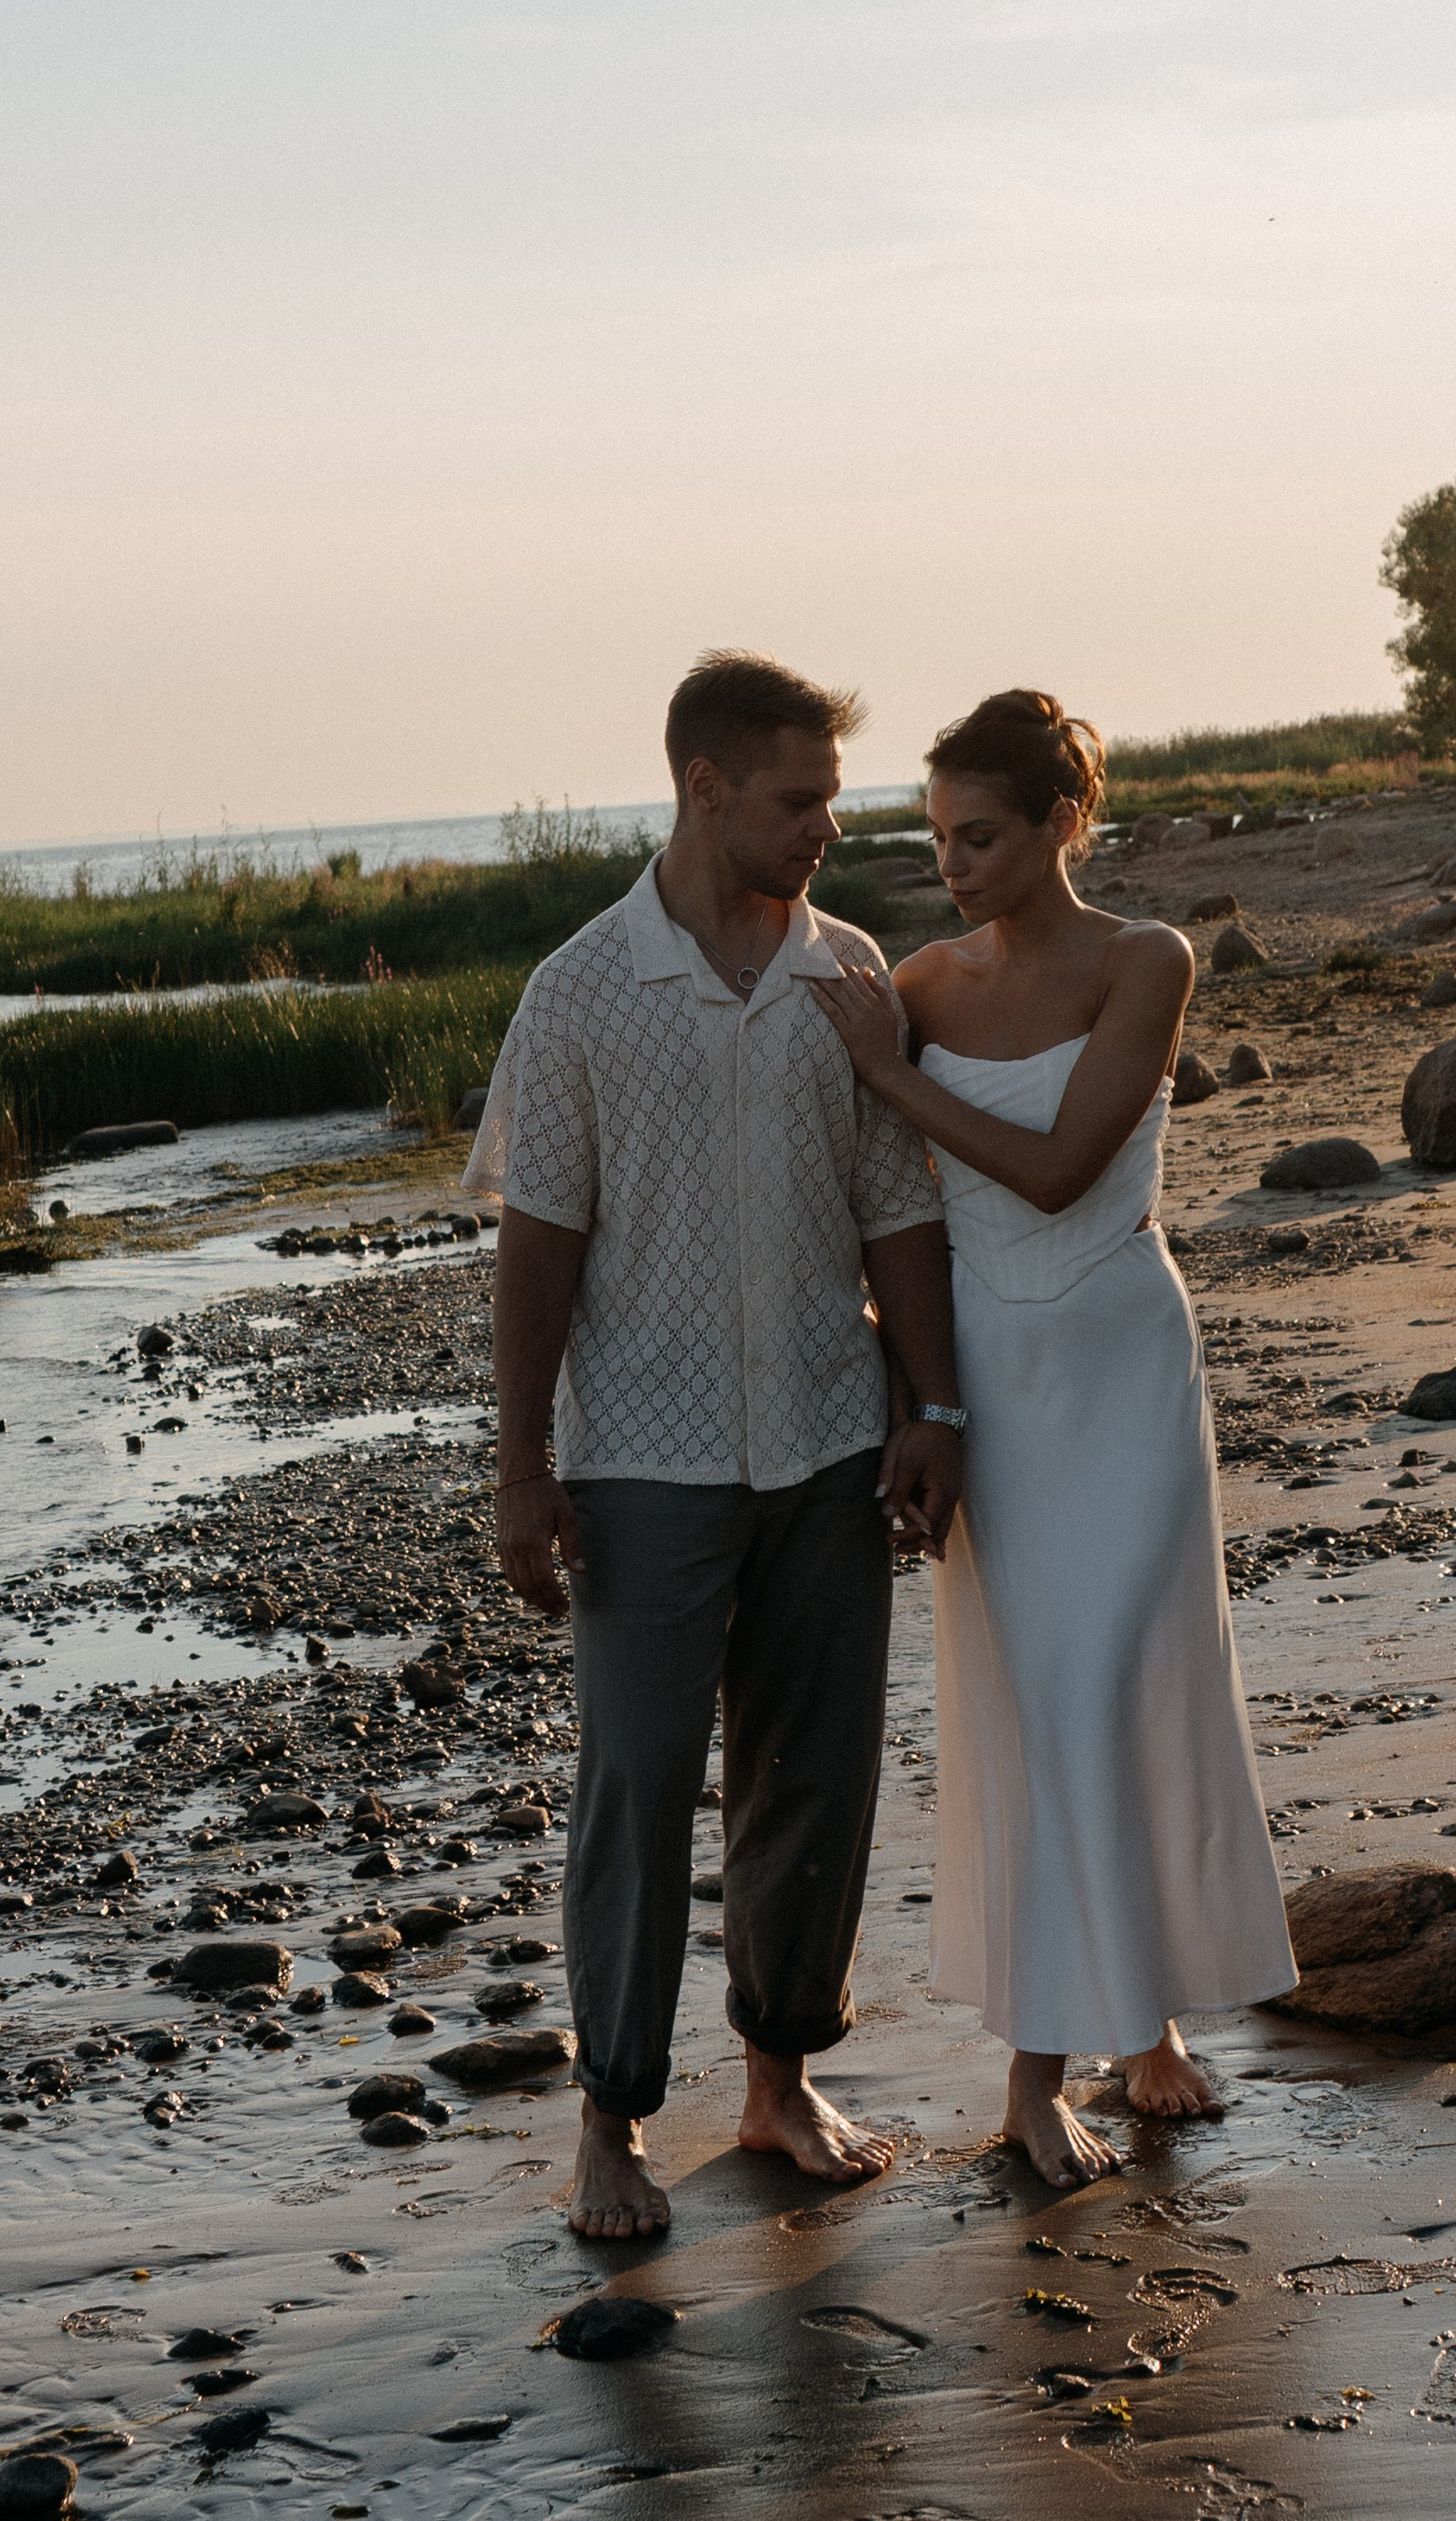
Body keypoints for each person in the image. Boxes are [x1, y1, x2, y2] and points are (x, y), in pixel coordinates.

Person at [467, 649, 966, 2243]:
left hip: (829, 1444)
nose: (829, 826)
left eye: (832, 796)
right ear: (704, 789)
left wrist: (934, 1411)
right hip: (641, 1463)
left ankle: (778, 2083)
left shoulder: (850, 975)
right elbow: (538, 1244)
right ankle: (611, 2119)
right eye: (799, 799)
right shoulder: (579, 993)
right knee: (635, 1788)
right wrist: (522, 1469)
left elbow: (897, 1217)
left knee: (812, 1782)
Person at [809, 688, 1295, 2189]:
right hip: (991, 1380)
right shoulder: (919, 983)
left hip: (1122, 1360)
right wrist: (911, 1393)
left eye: (980, 836)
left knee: (1132, 1682)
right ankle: (1044, 2072)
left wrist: (891, 1072)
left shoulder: (1148, 959)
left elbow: (1063, 1166)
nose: (950, 865)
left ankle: (1139, 2026)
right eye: (936, 837)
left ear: (1061, 824)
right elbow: (874, 1196)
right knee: (1038, 1702)